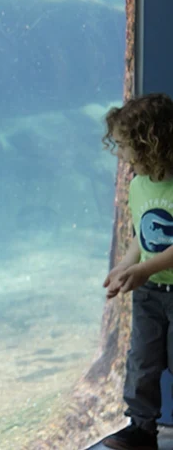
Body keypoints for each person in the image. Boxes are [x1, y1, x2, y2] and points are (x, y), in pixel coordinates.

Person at [101, 92, 173, 450]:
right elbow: (141, 235)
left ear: (150, 144)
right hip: (149, 293)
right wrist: (126, 265)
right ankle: (141, 429)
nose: (120, 154)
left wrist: (144, 268)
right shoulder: (138, 185)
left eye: (124, 145)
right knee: (142, 360)